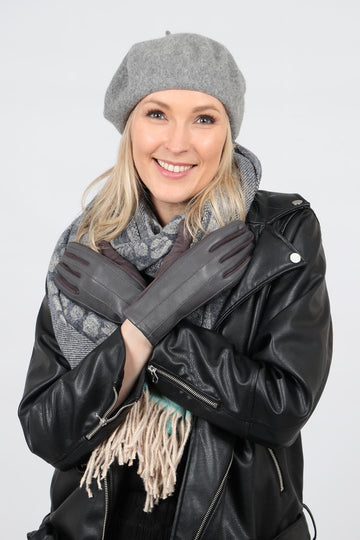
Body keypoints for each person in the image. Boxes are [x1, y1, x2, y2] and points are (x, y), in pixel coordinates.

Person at [18, 32, 332, 540]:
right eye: (157, 114)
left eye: (204, 118)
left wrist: (139, 316)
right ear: (129, 126)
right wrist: (145, 323)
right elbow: (48, 432)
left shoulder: (280, 234)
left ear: (228, 131)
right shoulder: (85, 249)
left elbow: (282, 407)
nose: (178, 142)